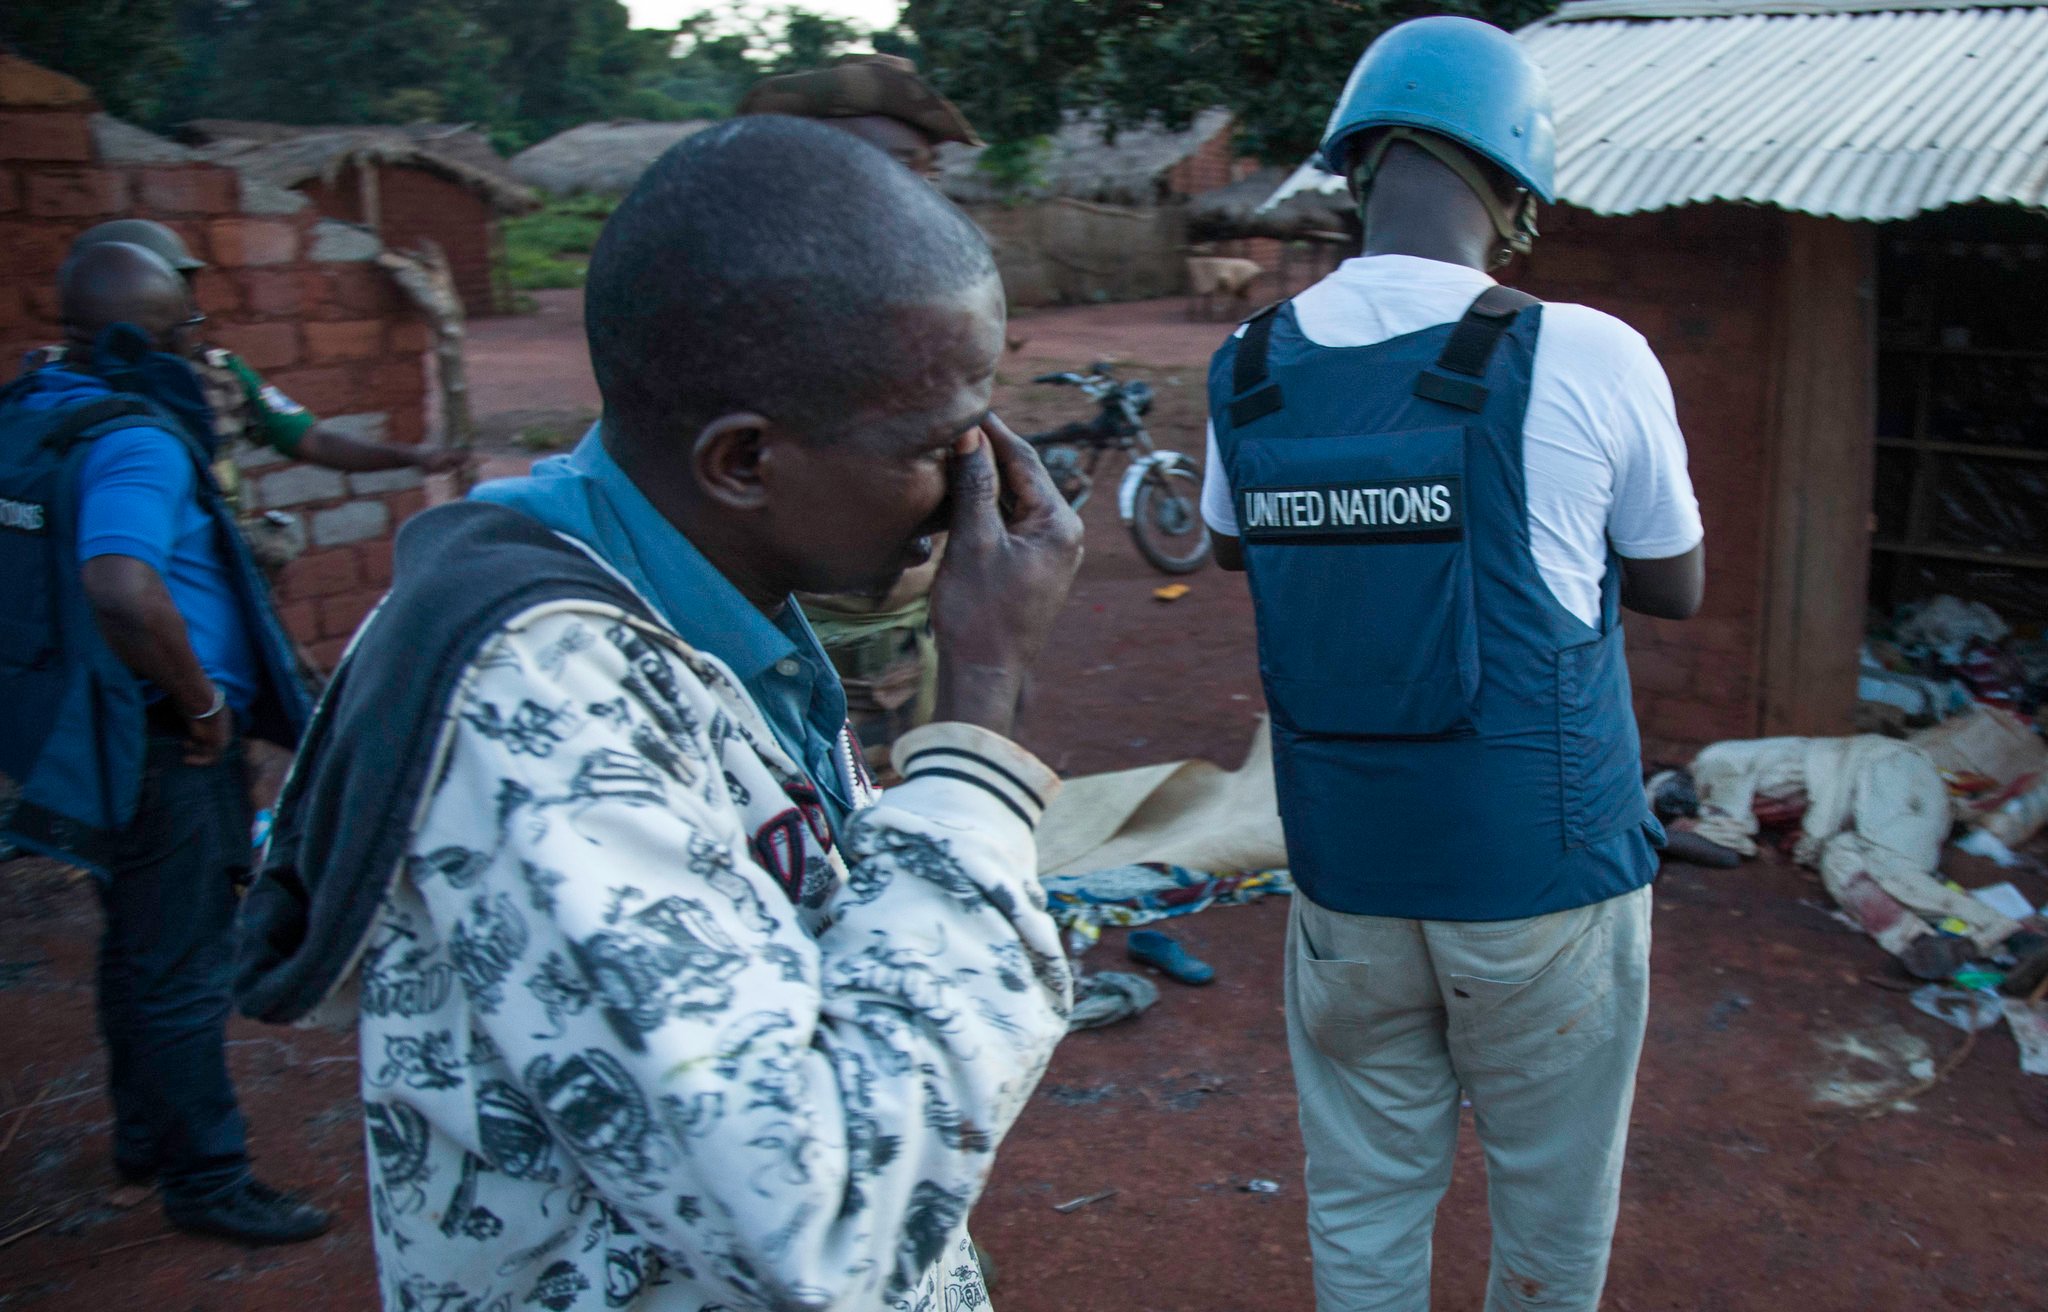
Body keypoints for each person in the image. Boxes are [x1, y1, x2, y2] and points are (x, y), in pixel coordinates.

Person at [233, 118, 1083, 1311]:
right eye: (939, 443)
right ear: (742, 462)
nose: (979, 481)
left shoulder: (699, 600)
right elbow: (821, 1228)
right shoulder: (539, 709)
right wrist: (981, 716)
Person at [1201, 18, 1704, 1312]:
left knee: (1364, 1203)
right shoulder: (1586, 352)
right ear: (1519, 189)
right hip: (1542, 874)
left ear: (1356, 174)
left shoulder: (1246, 369)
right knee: (1551, 1204)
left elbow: (1229, 551)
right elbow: (1676, 585)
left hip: (1347, 882)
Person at [0, 241, 328, 1243]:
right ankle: (209, 1175)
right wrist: (199, 705)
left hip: (77, 729)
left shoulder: (34, 409)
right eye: (186, 333)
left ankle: (145, 1135)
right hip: (159, 742)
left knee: (137, 945)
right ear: (143, 337)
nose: (199, 350)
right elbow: (120, 585)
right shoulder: (136, 438)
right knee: (183, 961)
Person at [739, 54, 984, 762]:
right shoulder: (757, 303)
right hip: (805, 638)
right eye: (905, 168)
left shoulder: (906, 298)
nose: (927, 196)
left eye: (932, 173)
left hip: (896, 632)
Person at [49, 219, 469, 572]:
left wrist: (412, 456)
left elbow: (312, 440)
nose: (188, 305)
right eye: (173, 287)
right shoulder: (55, 392)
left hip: (214, 568)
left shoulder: (218, 374)